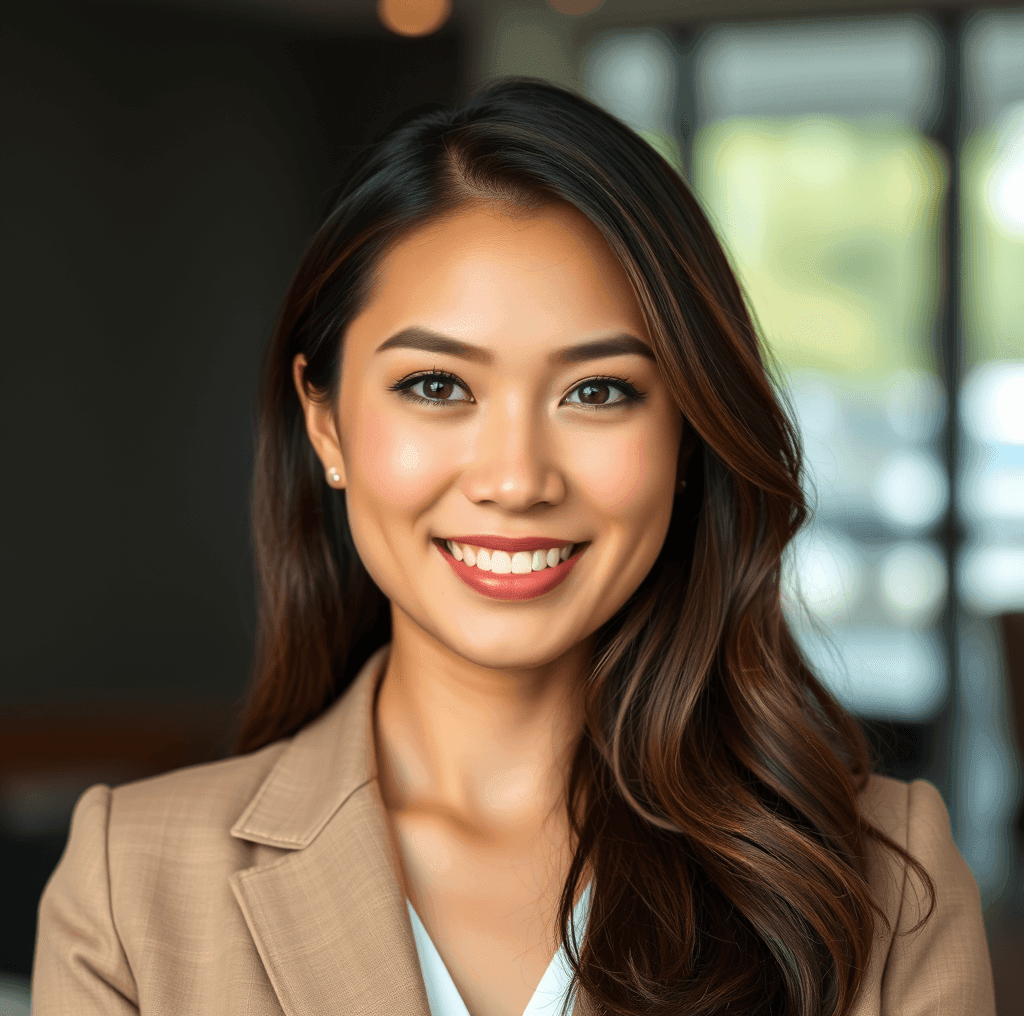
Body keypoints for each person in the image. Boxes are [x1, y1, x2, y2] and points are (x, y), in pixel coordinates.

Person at [31, 78, 995, 1016]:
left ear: (686, 439)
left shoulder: (887, 878)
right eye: (437, 386)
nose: (517, 477)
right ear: (325, 425)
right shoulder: (131, 884)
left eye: (598, 391)